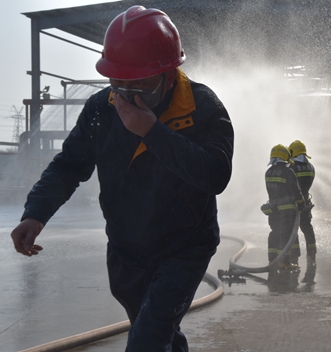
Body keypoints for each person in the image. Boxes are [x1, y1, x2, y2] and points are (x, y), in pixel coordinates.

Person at [10, 6, 234, 351]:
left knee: (147, 338)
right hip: (126, 249)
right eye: (117, 81)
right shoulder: (101, 109)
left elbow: (214, 175)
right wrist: (35, 214)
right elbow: (69, 165)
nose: (125, 95)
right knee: (159, 334)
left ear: (168, 74)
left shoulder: (202, 108)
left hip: (184, 247)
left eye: (138, 84)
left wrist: (152, 133)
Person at [262, 144, 305, 270]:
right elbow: (295, 190)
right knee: (286, 236)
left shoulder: (268, 172)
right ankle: (284, 262)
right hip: (287, 212)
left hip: (273, 211)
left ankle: (272, 260)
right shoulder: (288, 171)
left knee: (274, 233)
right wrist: (301, 204)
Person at [288, 140, 317, 265]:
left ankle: (294, 257)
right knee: (307, 228)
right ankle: (312, 254)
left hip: (293, 203)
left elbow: (290, 185)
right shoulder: (311, 166)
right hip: (306, 202)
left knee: (293, 230)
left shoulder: (292, 167)